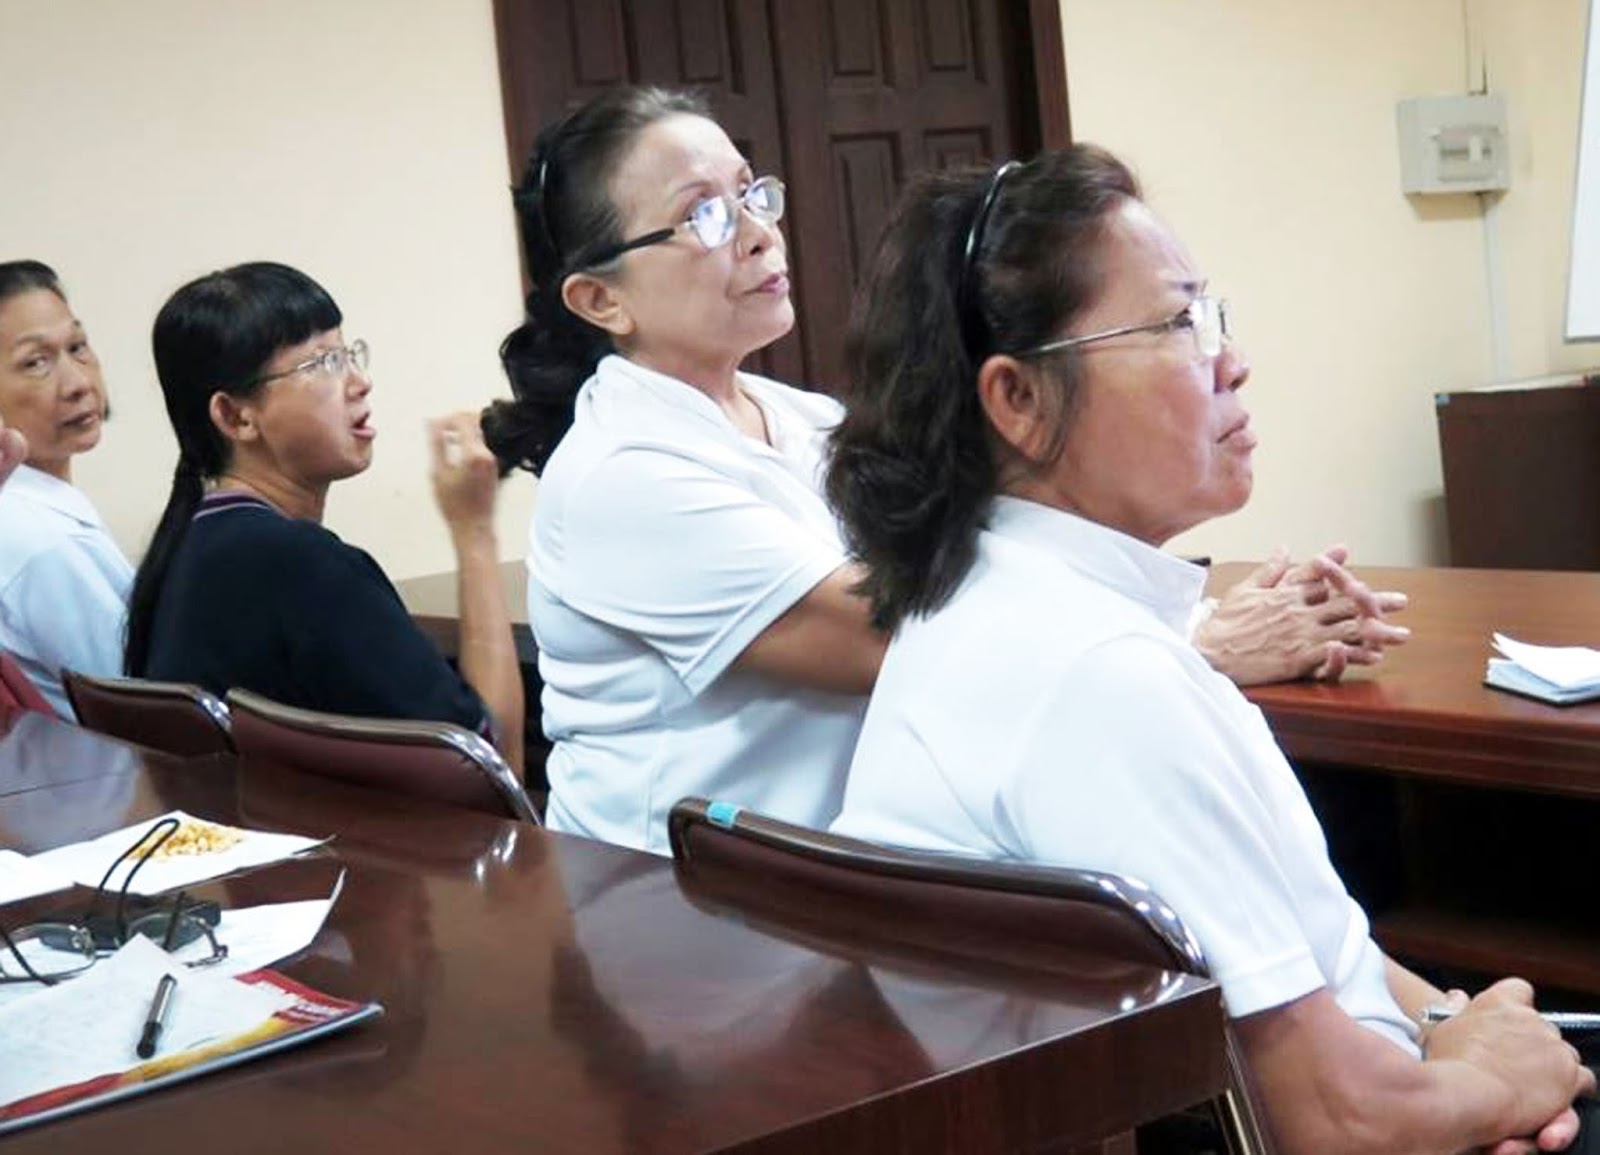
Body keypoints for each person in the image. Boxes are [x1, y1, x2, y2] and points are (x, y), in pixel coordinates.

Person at [825, 148, 1592, 1155]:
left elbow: (1317, 945)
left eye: (1210, 314)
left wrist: (1457, 1031)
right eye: (1176, 324)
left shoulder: (978, 608)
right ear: (1018, 400)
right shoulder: (1100, 676)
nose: (1231, 361)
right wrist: (1497, 1077)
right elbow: (1335, 1124)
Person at [482, 85, 1406, 856]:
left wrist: (1201, 611)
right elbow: (898, 643)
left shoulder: (799, 418)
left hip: (817, 885)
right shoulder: (620, 477)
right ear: (599, 298)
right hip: (675, 924)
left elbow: (1007, 560)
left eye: (754, 194)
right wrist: (1200, 641)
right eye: (704, 216)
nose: (759, 233)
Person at [125, 262, 523, 770]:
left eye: (349, 354)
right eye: (323, 363)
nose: (361, 382)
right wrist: (474, 530)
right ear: (235, 416)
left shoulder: (194, 542)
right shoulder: (300, 563)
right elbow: (493, 766)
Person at [0, 261, 132, 717]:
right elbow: (140, 708)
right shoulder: (42, 539)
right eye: (35, 362)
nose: (78, 383)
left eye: (77, 346)